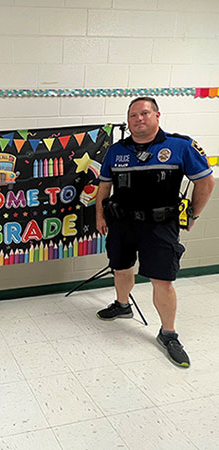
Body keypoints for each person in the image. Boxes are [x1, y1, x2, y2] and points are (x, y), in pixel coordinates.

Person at [96, 97, 215, 368]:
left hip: (160, 227)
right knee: (121, 268)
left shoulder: (180, 146)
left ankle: (168, 334)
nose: (138, 119)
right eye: (133, 115)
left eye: (144, 113)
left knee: (162, 280)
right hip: (121, 224)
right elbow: (104, 187)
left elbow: (206, 182)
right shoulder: (116, 151)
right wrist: (100, 217)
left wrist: (193, 215)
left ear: (157, 115)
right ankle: (122, 305)